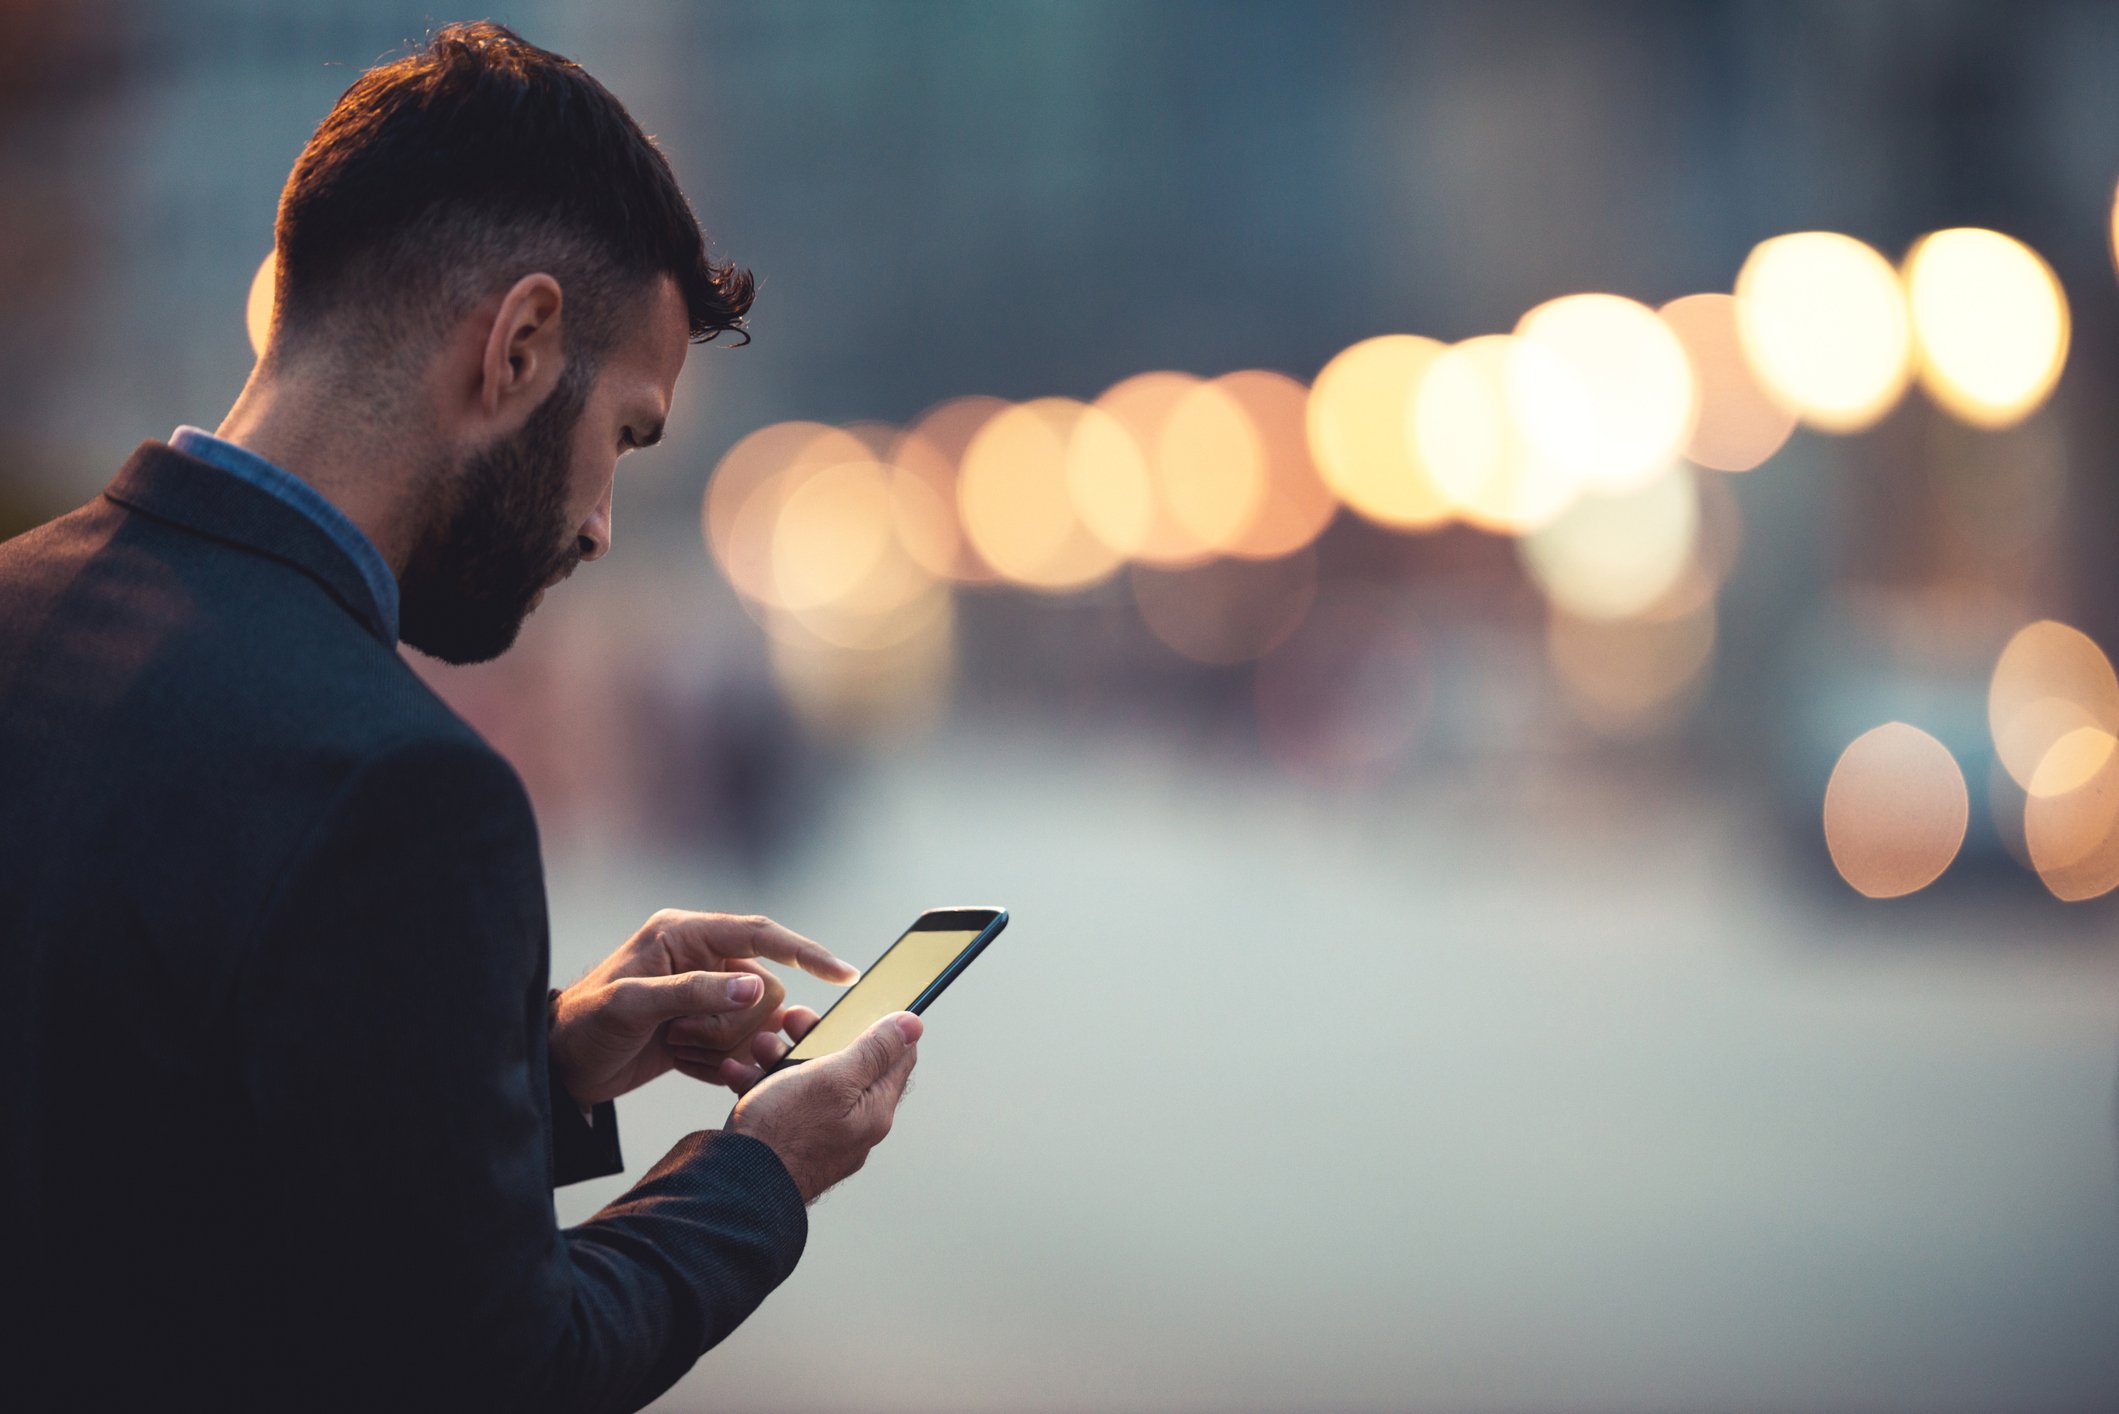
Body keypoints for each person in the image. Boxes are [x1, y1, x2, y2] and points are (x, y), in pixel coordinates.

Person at [0, 21, 922, 1412]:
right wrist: (757, 1173)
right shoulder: (401, 787)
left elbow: (141, 1141)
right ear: (521, 344)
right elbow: (492, 1370)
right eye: (621, 435)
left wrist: (531, 1070)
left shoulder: (23, 602)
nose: (603, 524)